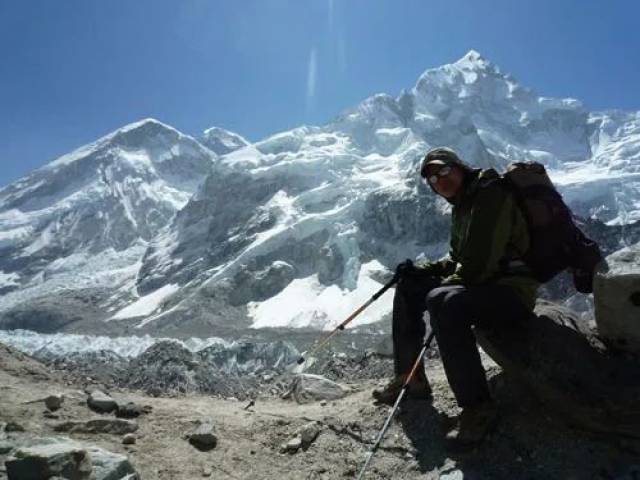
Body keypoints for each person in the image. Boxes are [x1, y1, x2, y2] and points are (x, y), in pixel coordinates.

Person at [372, 147, 540, 451]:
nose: (440, 180)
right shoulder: (462, 204)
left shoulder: (490, 194)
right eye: (433, 178)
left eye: (444, 171)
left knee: (443, 301)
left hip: (511, 291)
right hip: (482, 284)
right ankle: (411, 378)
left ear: (459, 167)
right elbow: (458, 259)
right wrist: (421, 271)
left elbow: (477, 265)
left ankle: (478, 407)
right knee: (412, 284)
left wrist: (442, 287)